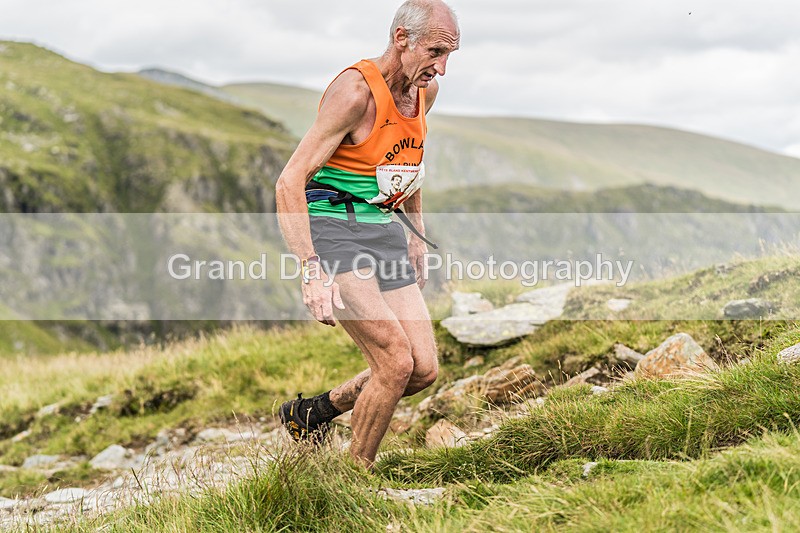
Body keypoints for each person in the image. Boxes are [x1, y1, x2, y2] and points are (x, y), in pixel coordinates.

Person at [275, 0, 460, 468]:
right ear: (402, 39)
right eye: (435, 52)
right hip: (334, 228)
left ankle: (312, 413)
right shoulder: (355, 92)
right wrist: (311, 270)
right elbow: (289, 180)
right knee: (395, 361)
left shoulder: (425, 91)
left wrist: (416, 232)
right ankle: (353, 481)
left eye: (449, 56)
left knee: (422, 369)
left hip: (383, 229)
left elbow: (409, 160)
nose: (441, 68)